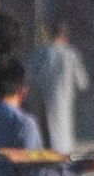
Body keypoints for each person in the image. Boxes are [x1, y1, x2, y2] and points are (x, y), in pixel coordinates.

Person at [30, 23, 90, 151]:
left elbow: (29, 77)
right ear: (64, 35)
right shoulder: (72, 54)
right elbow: (82, 83)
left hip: (43, 102)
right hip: (66, 103)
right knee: (64, 135)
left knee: (47, 135)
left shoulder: (41, 53)